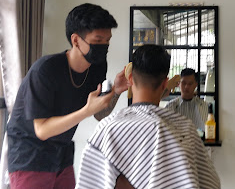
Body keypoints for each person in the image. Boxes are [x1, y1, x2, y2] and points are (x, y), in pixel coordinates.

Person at [7, 3, 129, 188]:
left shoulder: (97, 66)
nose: (104, 46)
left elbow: (98, 114)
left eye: (107, 40)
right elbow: (42, 131)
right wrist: (86, 111)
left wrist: (116, 92)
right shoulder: (45, 70)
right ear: (76, 40)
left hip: (61, 156)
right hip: (29, 157)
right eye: (97, 40)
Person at [76, 45, 221, 189]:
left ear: (130, 79)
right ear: (165, 83)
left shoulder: (107, 129)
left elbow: (88, 183)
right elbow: (211, 184)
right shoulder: (185, 129)